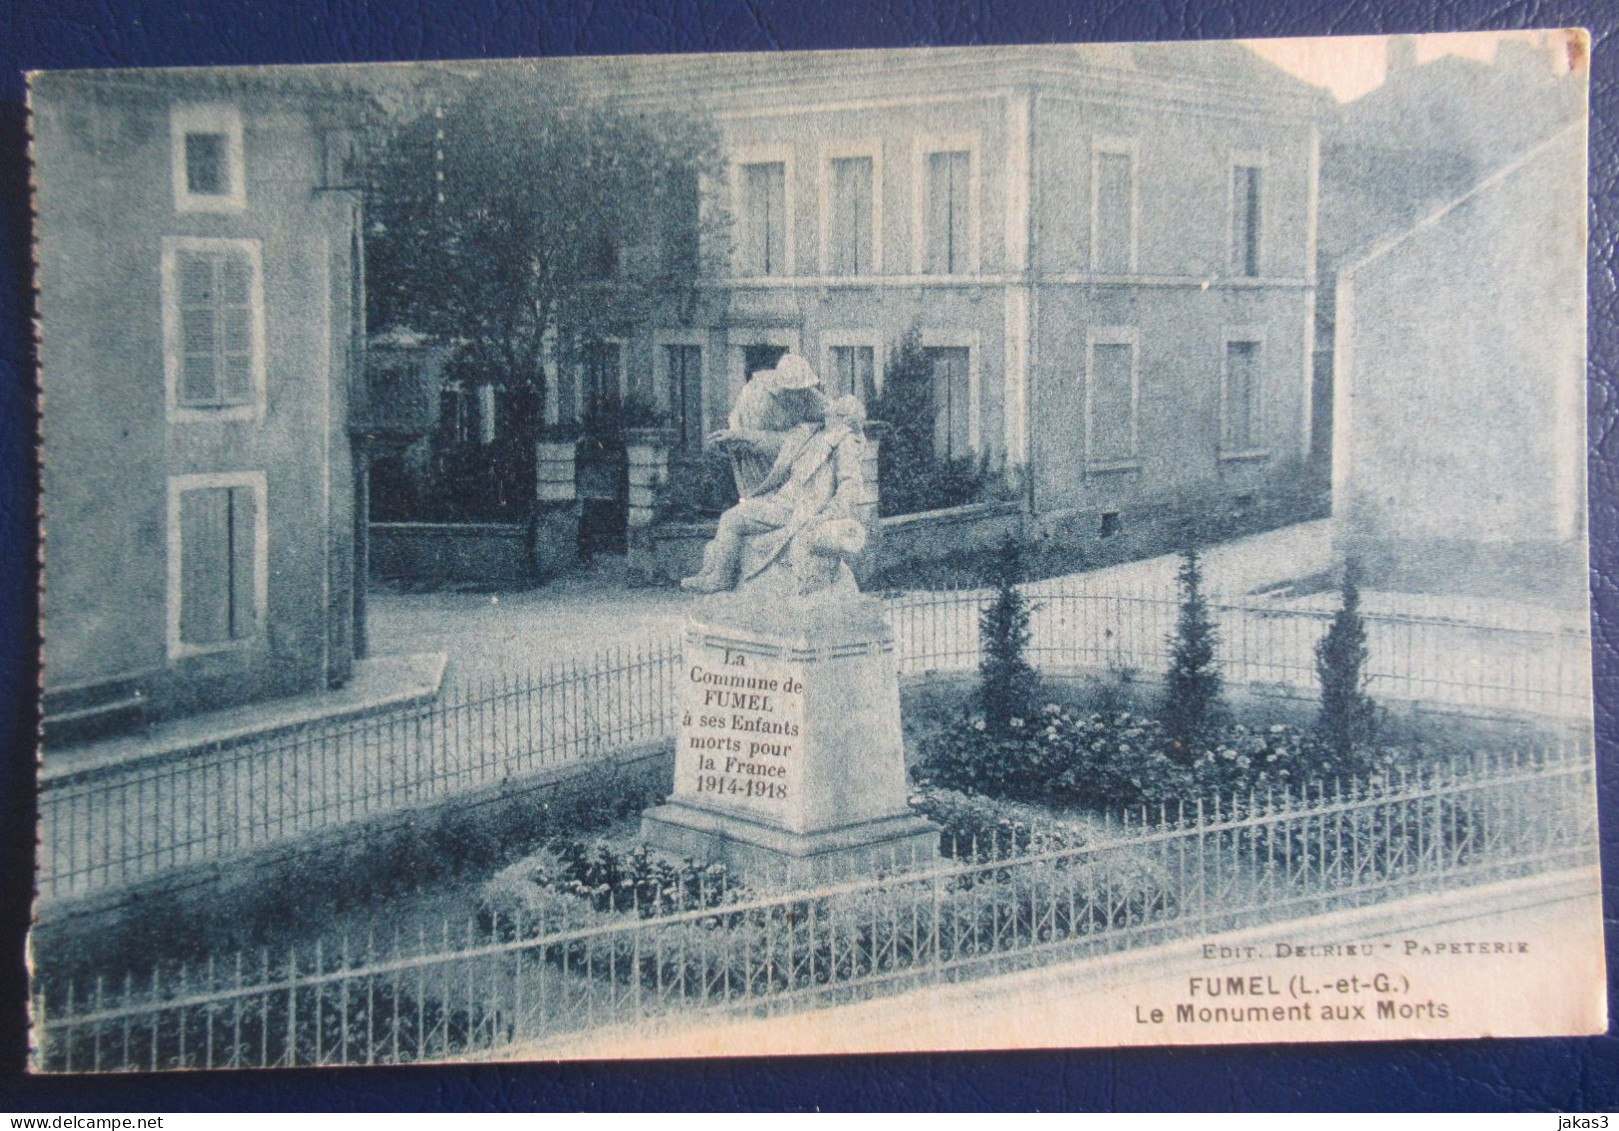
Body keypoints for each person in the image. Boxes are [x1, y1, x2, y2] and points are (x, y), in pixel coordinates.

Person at [682, 367, 869, 597]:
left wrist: (830, 513)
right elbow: (772, 441)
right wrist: (738, 435)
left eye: (837, 412)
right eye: (832, 410)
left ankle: (721, 578)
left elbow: (850, 486)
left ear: (846, 422)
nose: (829, 411)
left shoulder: (844, 444)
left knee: (731, 518)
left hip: (796, 510)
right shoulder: (809, 433)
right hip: (780, 500)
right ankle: (714, 571)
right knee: (733, 517)